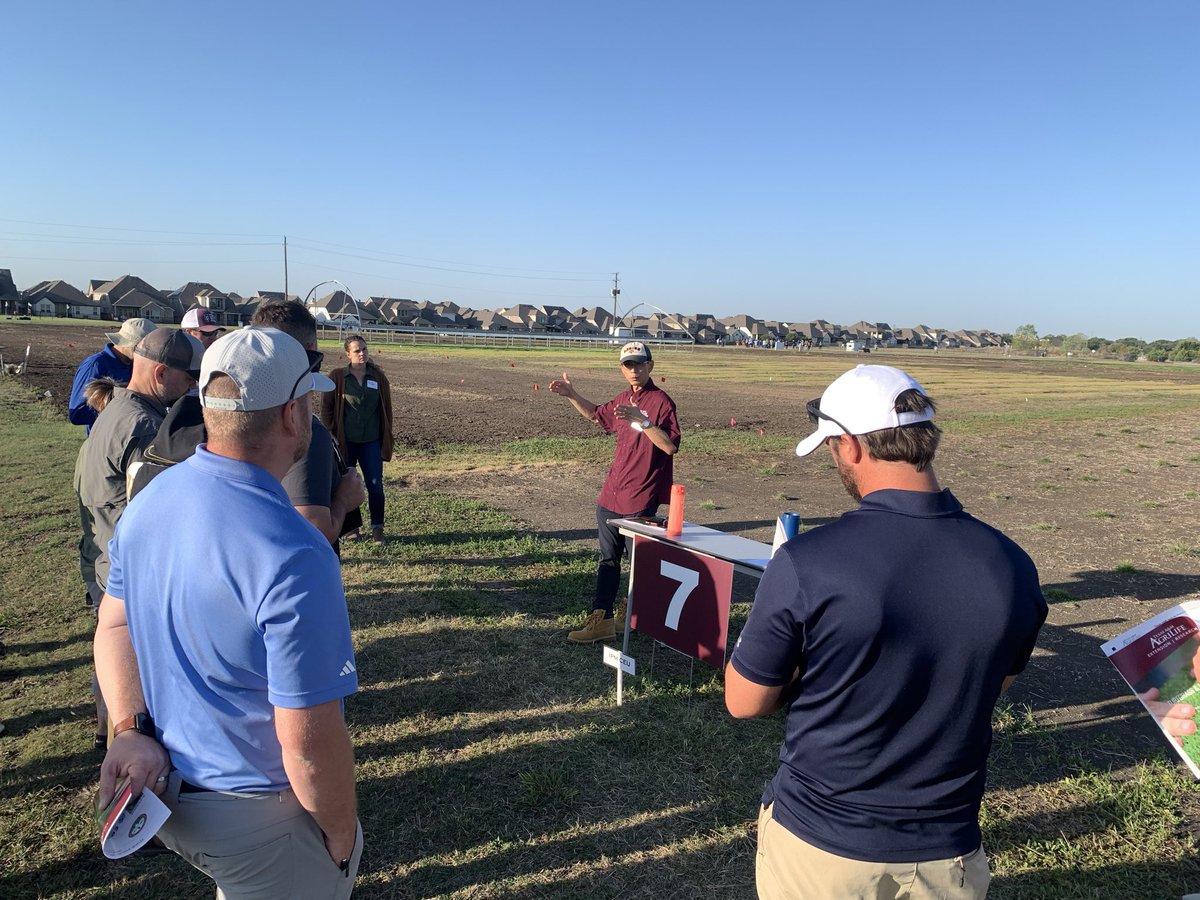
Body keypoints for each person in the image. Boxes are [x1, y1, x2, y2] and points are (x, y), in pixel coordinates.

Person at [724, 364, 1047, 899]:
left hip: (821, 846)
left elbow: (744, 700)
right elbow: (992, 685)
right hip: (949, 850)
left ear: (849, 446)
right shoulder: (1013, 565)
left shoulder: (809, 562)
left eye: (831, 448)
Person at [94, 326, 363, 898]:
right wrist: (340, 834)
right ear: (293, 415)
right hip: (257, 815)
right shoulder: (295, 553)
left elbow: (114, 625)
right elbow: (308, 740)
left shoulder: (150, 502)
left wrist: (128, 728)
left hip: (171, 792)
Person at [549, 341, 680, 643]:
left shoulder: (662, 403)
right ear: (622, 369)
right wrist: (571, 395)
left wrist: (644, 421)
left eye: (639, 364)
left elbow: (670, 446)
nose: (634, 370)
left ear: (651, 366)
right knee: (608, 560)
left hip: (640, 497)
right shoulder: (623, 398)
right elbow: (597, 415)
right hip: (611, 496)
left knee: (639, 564)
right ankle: (601, 618)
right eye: (628, 365)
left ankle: (631, 615)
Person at [78, 329, 203, 596]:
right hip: (132, 580)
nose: (193, 386)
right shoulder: (145, 428)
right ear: (161, 374)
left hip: (106, 564)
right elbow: (157, 519)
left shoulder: (117, 408)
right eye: (191, 377)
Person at [322, 335, 394, 544]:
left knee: (375, 485)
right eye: (356, 351)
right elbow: (327, 409)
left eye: (364, 349)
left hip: (371, 441)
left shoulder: (378, 377)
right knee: (345, 485)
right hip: (347, 441)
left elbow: (386, 408)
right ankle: (351, 529)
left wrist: (386, 435)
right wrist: (331, 434)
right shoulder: (337, 377)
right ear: (348, 354)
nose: (362, 353)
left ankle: (377, 529)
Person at [68, 318, 156, 431]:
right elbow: (77, 413)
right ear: (132, 345)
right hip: (106, 441)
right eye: (145, 349)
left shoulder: (135, 365)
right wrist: (122, 414)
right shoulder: (96, 364)